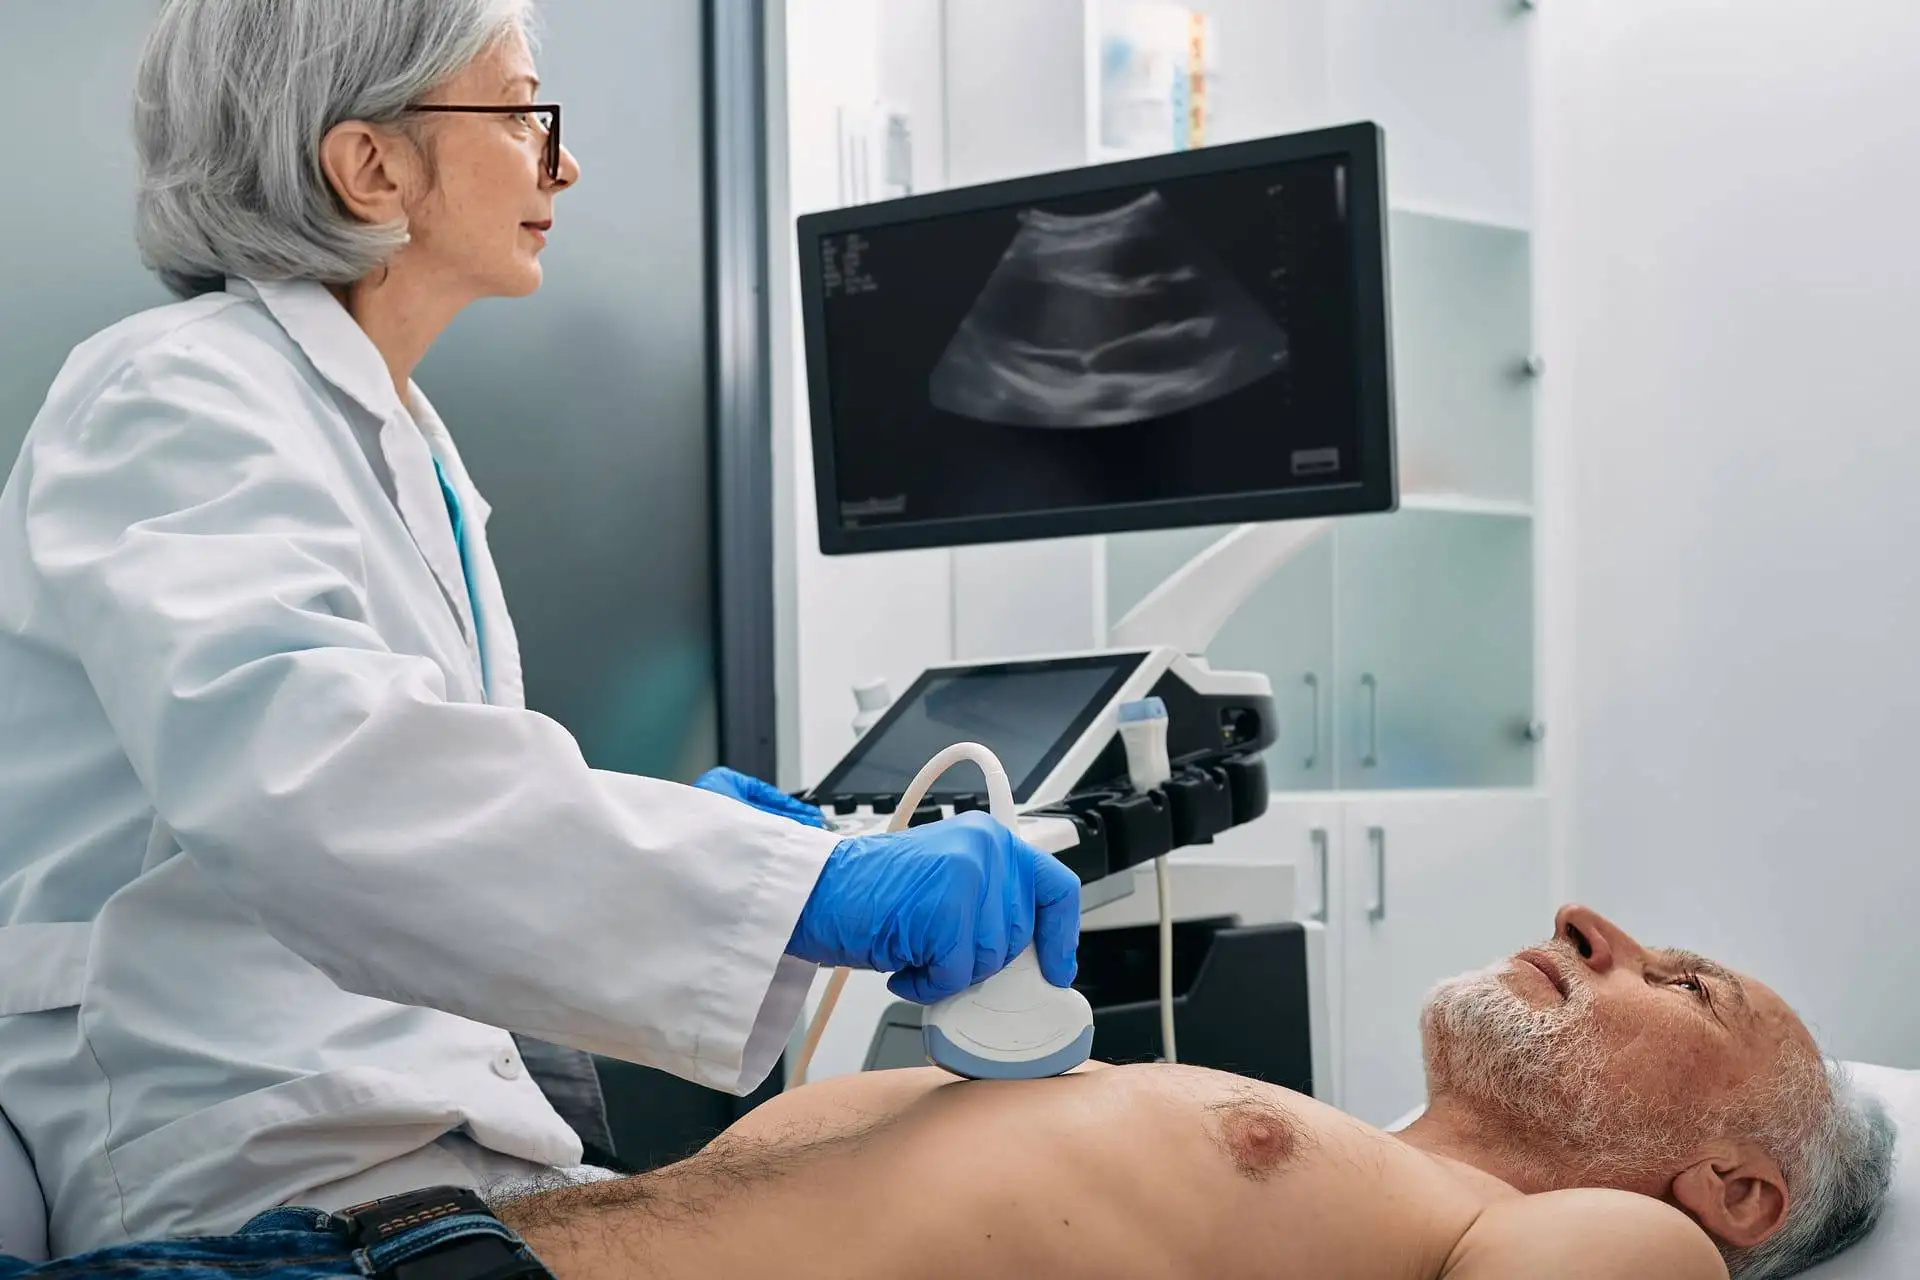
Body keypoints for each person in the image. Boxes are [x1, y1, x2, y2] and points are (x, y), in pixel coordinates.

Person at [0, 0, 1082, 1254]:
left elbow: (415, 800)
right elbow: (335, 789)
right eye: (520, 115)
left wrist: (704, 844)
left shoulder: (391, 435)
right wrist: (799, 886)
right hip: (259, 1160)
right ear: (371, 166)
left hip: (391, 1137)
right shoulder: (174, 390)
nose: (563, 162)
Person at [0, 905, 1892, 1280]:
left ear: (1730, 1185)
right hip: (376, 1245)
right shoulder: (1343, 1162)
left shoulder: (1607, 1246)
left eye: (1684, 983)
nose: (1594, 923)